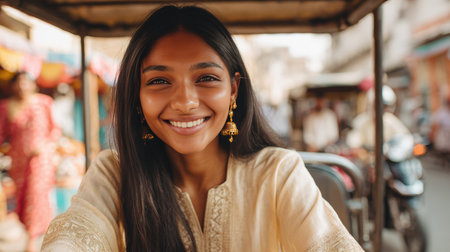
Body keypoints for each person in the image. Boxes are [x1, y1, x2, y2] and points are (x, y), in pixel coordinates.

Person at [41, 5, 362, 251]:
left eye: (206, 78)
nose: (184, 102)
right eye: (159, 81)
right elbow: (74, 238)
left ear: (234, 88)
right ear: (136, 96)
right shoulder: (114, 174)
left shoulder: (278, 173)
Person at [0, 71, 61, 252]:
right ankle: (31, 237)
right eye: (19, 82)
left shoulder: (44, 103)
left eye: (26, 82)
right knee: (21, 198)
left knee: (36, 197)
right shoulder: (5, 107)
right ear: (12, 86)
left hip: (40, 161)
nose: (22, 86)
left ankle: (31, 244)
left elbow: (55, 130)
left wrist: (45, 146)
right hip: (18, 162)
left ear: (33, 84)